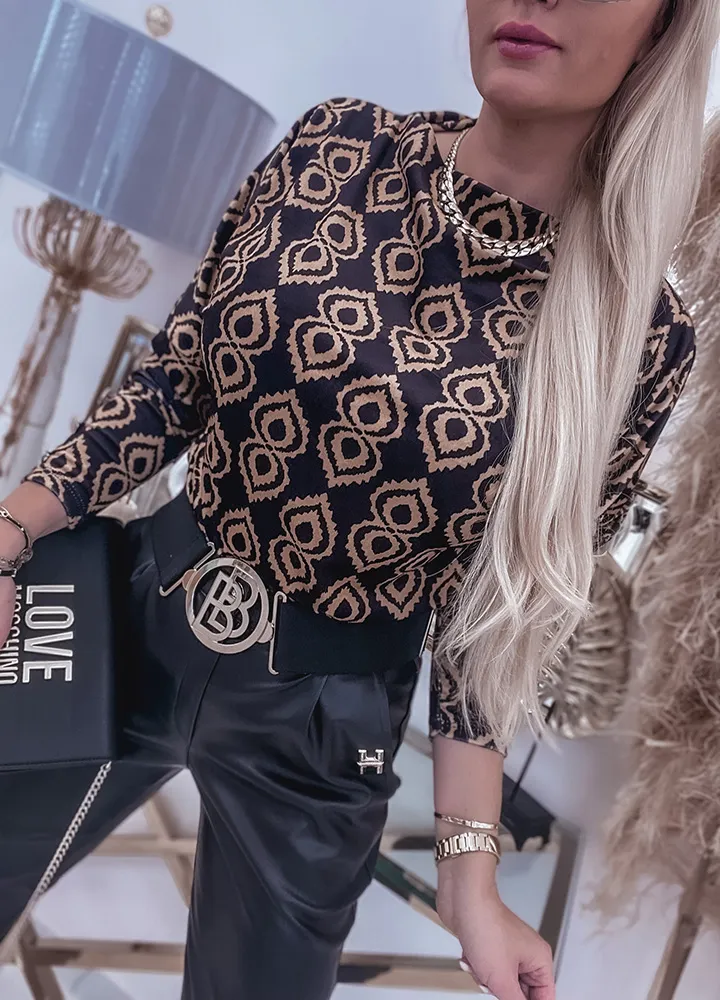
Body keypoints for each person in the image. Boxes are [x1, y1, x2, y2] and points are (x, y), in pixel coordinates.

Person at [0, 0, 717, 997]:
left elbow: (492, 616)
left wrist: (470, 879)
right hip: (135, 614)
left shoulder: (637, 334)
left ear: (661, 29)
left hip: (323, 725)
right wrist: (12, 529)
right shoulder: (337, 145)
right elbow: (175, 381)